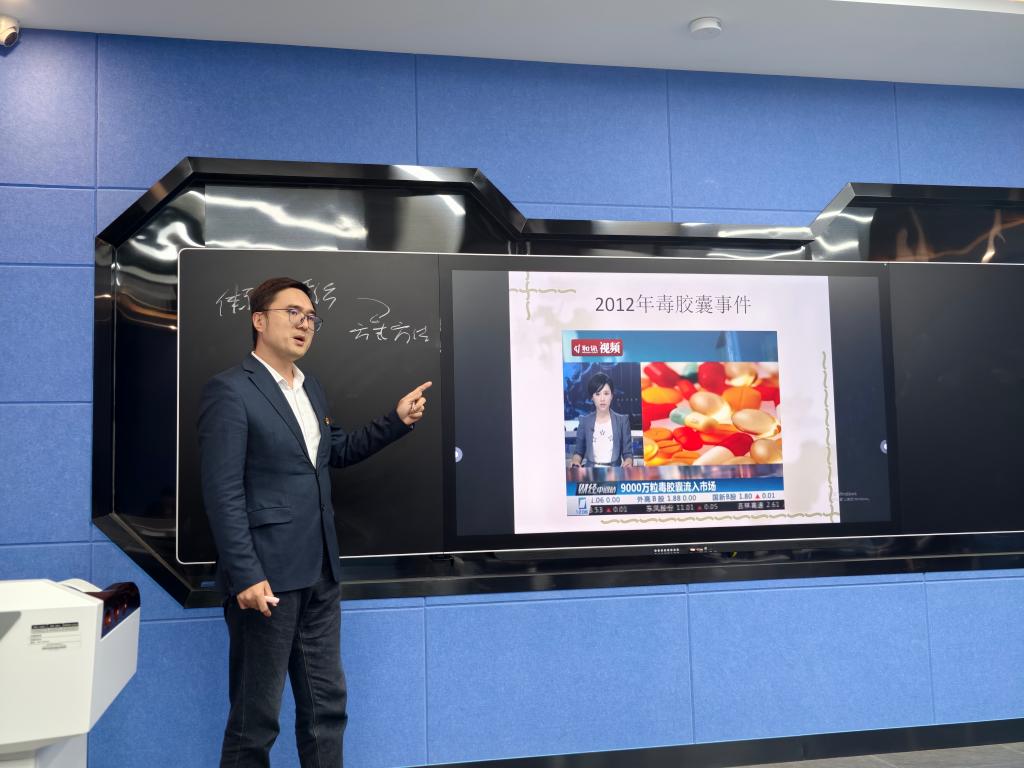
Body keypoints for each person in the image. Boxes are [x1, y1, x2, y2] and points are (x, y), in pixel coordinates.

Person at [197, 276, 431, 768]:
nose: (305, 324)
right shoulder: (231, 390)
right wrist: (245, 574)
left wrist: (396, 421)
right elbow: (222, 492)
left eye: (311, 317)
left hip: (321, 572)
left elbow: (334, 452)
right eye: (293, 313)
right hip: (266, 580)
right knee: (255, 721)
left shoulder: (311, 388)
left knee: (327, 709)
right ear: (259, 321)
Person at [569, 372, 633, 468]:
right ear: (592, 397)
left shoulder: (622, 421)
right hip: (590, 473)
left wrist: (628, 462)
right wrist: (575, 461)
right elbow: (578, 452)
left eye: (606, 393)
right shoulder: (584, 421)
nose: (602, 399)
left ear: (611, 396)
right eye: (597, 394)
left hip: (615, 473)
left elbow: (628, 454)